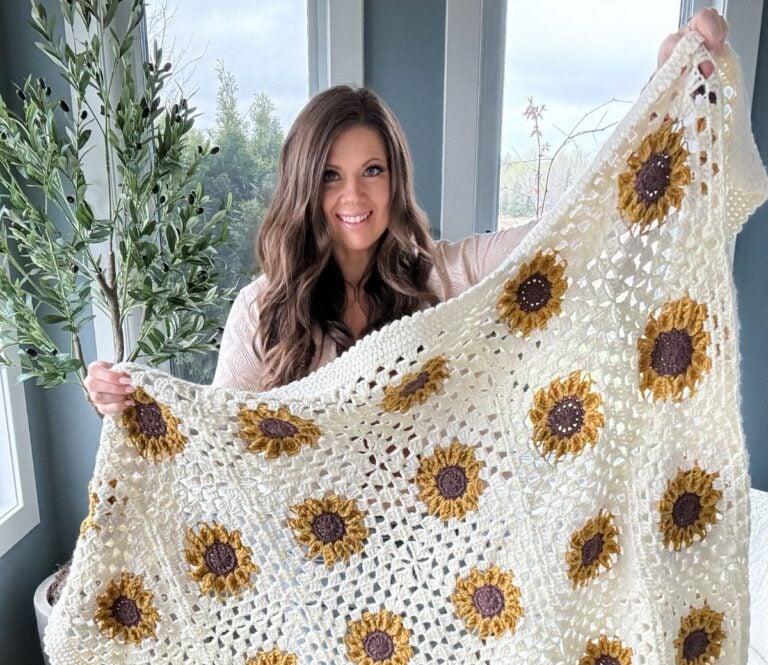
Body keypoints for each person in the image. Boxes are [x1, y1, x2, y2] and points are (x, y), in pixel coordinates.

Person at [84, 9, 729, 414]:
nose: (354, 198)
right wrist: (133, 403)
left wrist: (657, 105)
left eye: (372, 172)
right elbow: (218, 443)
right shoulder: (263, 310)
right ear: (305, 187)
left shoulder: (445, 276)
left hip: (434, 554)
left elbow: (569, 227)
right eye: (331, 177)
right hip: (312, 562)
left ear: (396, 179)